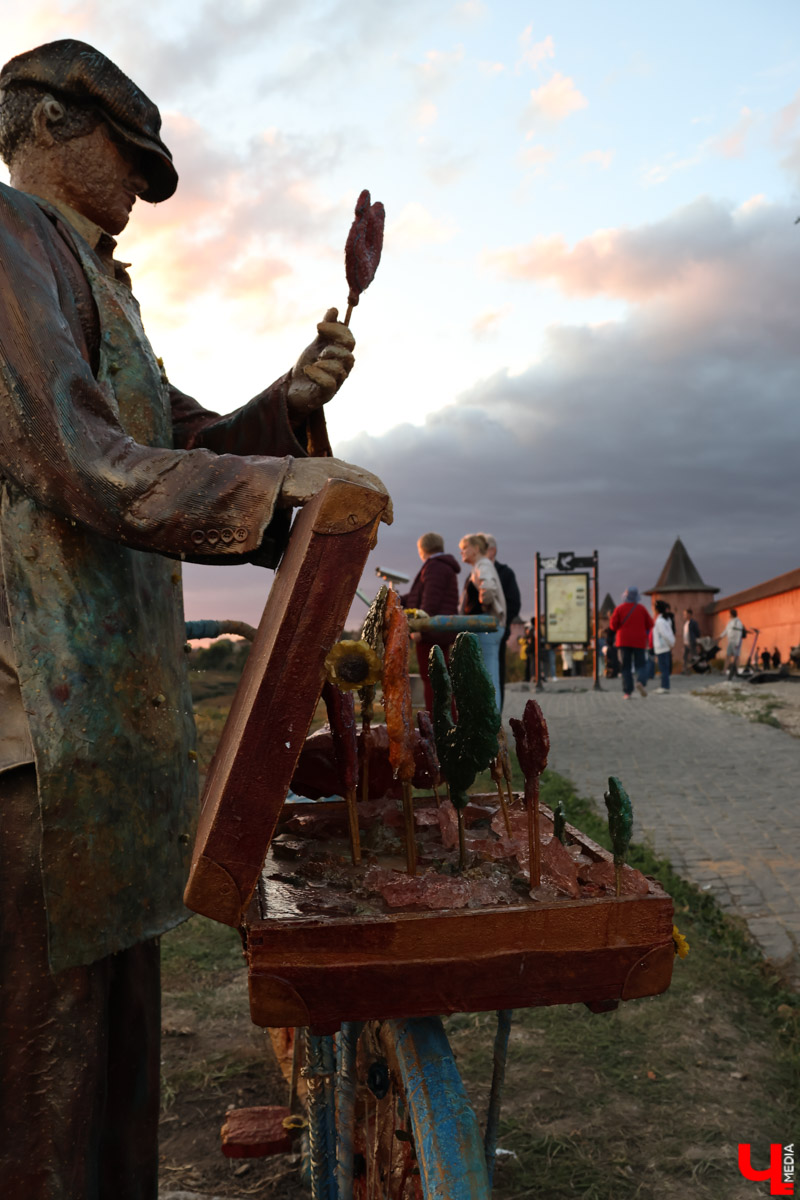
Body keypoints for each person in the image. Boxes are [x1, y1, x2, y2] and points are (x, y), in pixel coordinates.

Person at [0, 39, 390, 1196]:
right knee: (42, 1101)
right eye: (129, 154)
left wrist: (287, 406)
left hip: (106, 741)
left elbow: (177, 446)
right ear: (49, 122)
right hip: (30, 746)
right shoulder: (9, 243)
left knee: (117, 1084)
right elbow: (81, 457)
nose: (139, 184)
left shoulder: (99, 281)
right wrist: (278, 486)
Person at [399, 532, 460, 711]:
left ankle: (438, 721)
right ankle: (447, 718)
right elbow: (420, 595)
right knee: (440, 677)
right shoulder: (442, 566)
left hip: (432, 632)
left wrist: (420, 627)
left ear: (423, 549)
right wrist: (397, 599)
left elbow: (430, 601)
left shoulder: (434, 567)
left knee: (432, 678)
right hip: (440, 630)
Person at [458, 533, 506, 710]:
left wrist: (484, 603)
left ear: (476, 549)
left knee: (488, 675)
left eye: (465, 548)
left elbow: (488, 588)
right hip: (484, 626)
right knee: (488, 674)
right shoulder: (480, 565)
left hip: (486, 626)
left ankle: (492, 717)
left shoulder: (483, 565)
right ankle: (491, 716)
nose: (462, 552)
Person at [476, 533, 521, 708]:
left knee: (495, 672)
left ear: (492, 550)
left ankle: (495, 713)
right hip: (476, 631)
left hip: (495, 631)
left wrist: (501, 623)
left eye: (481, 547)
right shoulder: (476, 571)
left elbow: (514, 603)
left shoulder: (505, 573)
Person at [609, 587, 654, 699]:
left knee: (626, 667)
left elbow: (613, 626)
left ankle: (627, 692)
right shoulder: (642, 609)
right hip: (639, 641)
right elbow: (650, 624)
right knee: (641, 665)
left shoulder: (619, 609)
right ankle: (641, 681)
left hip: (623, 641)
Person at [652, 599, 676, 693]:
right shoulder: (665, 620)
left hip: (662, 647)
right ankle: (664, 685)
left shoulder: (660, 621)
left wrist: (671, 643)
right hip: (665, 646)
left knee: (663, 668)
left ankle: (665, 686)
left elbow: (665, 634)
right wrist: (671, 643)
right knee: (664, 668)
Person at [719, 608, 747, 678]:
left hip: (736, 641)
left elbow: (738, 633)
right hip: (730, 641)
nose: (729, 615)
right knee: (728, 655)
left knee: (736, 656)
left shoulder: (738, 622)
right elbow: (726, 630)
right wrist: (720, 637)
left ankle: (736, 670)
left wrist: (737, 643)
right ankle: (724, 670)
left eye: (729, 614)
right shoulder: (730, 622)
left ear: (732, 614)